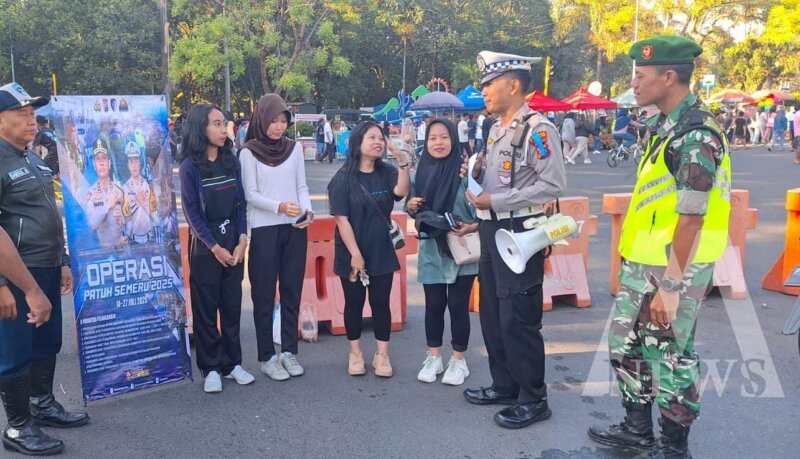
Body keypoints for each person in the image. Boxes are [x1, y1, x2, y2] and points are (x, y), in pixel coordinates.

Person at [587, 36, 732, 459]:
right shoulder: (666, 125)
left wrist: (671, 285)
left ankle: (673, 449)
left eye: (640, 75)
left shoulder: (696, 133)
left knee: (669, 358)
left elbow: (692, 216)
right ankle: (636, 432)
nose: (633, 83)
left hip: (673, 268)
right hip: (644, 263)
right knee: (627, 346)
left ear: (669, 76)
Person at [463, 51, 566, 430]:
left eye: (490, 83)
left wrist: (497, 200)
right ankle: (504, 384)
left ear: (514, 84)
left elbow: (551, 185)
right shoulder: (495, 129)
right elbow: (498, 180)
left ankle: (533, 397)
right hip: (491, 230)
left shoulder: (538, 129)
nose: (484, 90)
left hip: (522, 231)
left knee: (518, 317)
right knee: (491, 312)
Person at [0, 82, 87, 456]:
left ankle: (42, 403)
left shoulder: (33, 158)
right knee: (15, 350)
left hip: (47, 266)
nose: (30, 120)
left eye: (32, 113)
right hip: (17, 276)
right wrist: (6, 284)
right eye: (21, 114)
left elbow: (51, 215)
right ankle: (18, 428)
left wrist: (63, 261)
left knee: (47, 341)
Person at [327, 121, 411, 378]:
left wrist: (404, 164)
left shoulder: (386, 171)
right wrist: (355, 254)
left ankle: (382, 355)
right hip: (351, 248)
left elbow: (400, 193)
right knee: (353, 303)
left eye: (381, 138)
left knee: (380, 304)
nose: (378, 142)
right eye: (371, 137)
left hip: (381, 249)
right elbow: (342, 219)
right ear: (358, 143)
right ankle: (355, 353)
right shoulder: (342, 179)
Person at [179, 104, 253, 393]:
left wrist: (243, 238)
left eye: (224, 124)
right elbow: (192, 212)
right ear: (201, 128)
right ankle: (210, 366)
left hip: (234, 242)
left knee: (232, 306)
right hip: (206, 248)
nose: (224, 130)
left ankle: (232, 363)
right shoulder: (189, 168)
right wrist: (214, 247)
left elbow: (241, 203)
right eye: (216, 124)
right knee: (206, 308)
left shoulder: (230, 161)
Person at [240, 94, 312, 381]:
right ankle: (267, 356)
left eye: (283, 121)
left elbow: (302, 185)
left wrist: (305, 211)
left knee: (292, 290)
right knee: (264, 294)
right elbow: (250, 194)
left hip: (294, 228)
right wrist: (278, 207)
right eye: (273, 121)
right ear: (261, 120)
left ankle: (289, 352)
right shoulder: (248, 152)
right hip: (264, 229)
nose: (278, 127)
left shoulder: (293, 150)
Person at [406, 118, 478, 386]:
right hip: (432, 249)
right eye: (433, 138)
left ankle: (459, 360)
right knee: (434, 305)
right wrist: (410, 205)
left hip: (462, 248)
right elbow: (413, 207)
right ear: (426, 142)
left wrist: (471, 226)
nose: (438, 142)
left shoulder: (466, 172)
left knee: (459, 306)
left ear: (453, 140)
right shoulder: (420, 173)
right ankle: (433, 356)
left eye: (444, 137)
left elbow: (481, 209)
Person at [84, 139, 128, 248]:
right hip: (102, 252)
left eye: (104, 158)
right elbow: (92, 224)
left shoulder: (119, 190)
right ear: (94, 165)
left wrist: (126, 236)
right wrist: (107, 206)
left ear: (109, 163)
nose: (101, 163)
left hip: (122, 251)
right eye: (98, 159)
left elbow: (129, 219)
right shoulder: (91, 193)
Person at [123, 142, 157, 244]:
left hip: (150, 238)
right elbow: (126, 219)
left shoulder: (148, 185)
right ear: (127, 165)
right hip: (133, 240)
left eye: (136, 160)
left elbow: (154, 213)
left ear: (140, 163)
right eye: (131, 161)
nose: (134, 165)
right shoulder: (125, 188)